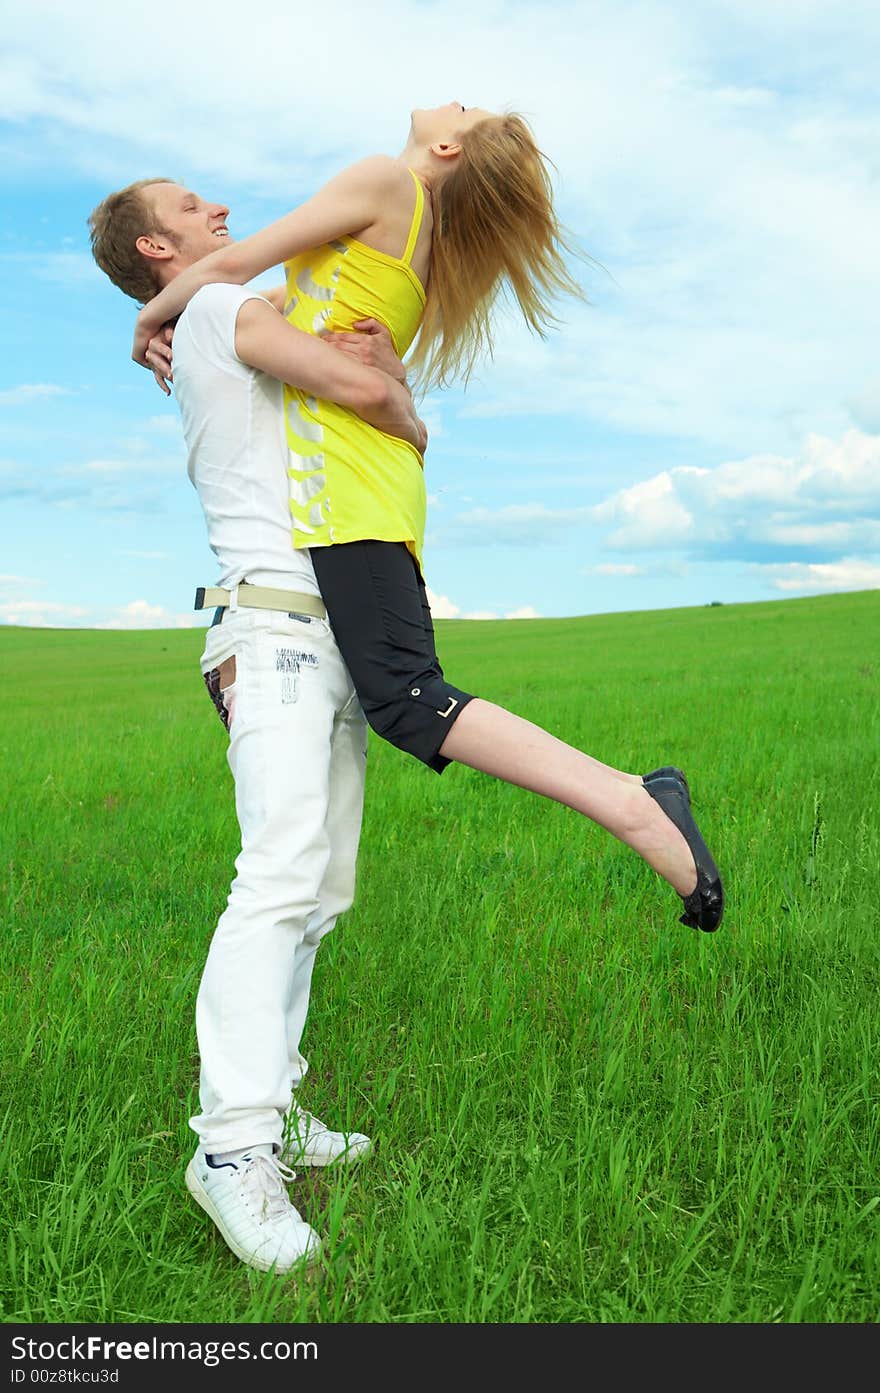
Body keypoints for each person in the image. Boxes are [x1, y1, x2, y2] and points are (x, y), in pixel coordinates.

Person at [131, 103, 724, 936]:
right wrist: (399, 402)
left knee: (409, 697)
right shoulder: (405, 221)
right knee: (406, 698)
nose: (455, 102)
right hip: (369, 482)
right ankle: (632, 800)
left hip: (345, 488)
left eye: (465, 111)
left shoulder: (381, 178)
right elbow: (263, 303)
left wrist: (147, 317)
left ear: (445, 146)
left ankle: (633, 802)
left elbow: (233, 267)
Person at [89, 177, 429, 1275]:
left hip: (325, 629)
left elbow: (369, 404)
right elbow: (375, 401)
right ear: (157, 244)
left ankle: (272, 1111)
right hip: (276, 628)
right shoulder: (218, 306)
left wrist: (380, 379)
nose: (222, 209)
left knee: (318, 888)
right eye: (194, 206)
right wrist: (385, 377)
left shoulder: (228, 312)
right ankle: (232, 1151)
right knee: (278, 876)